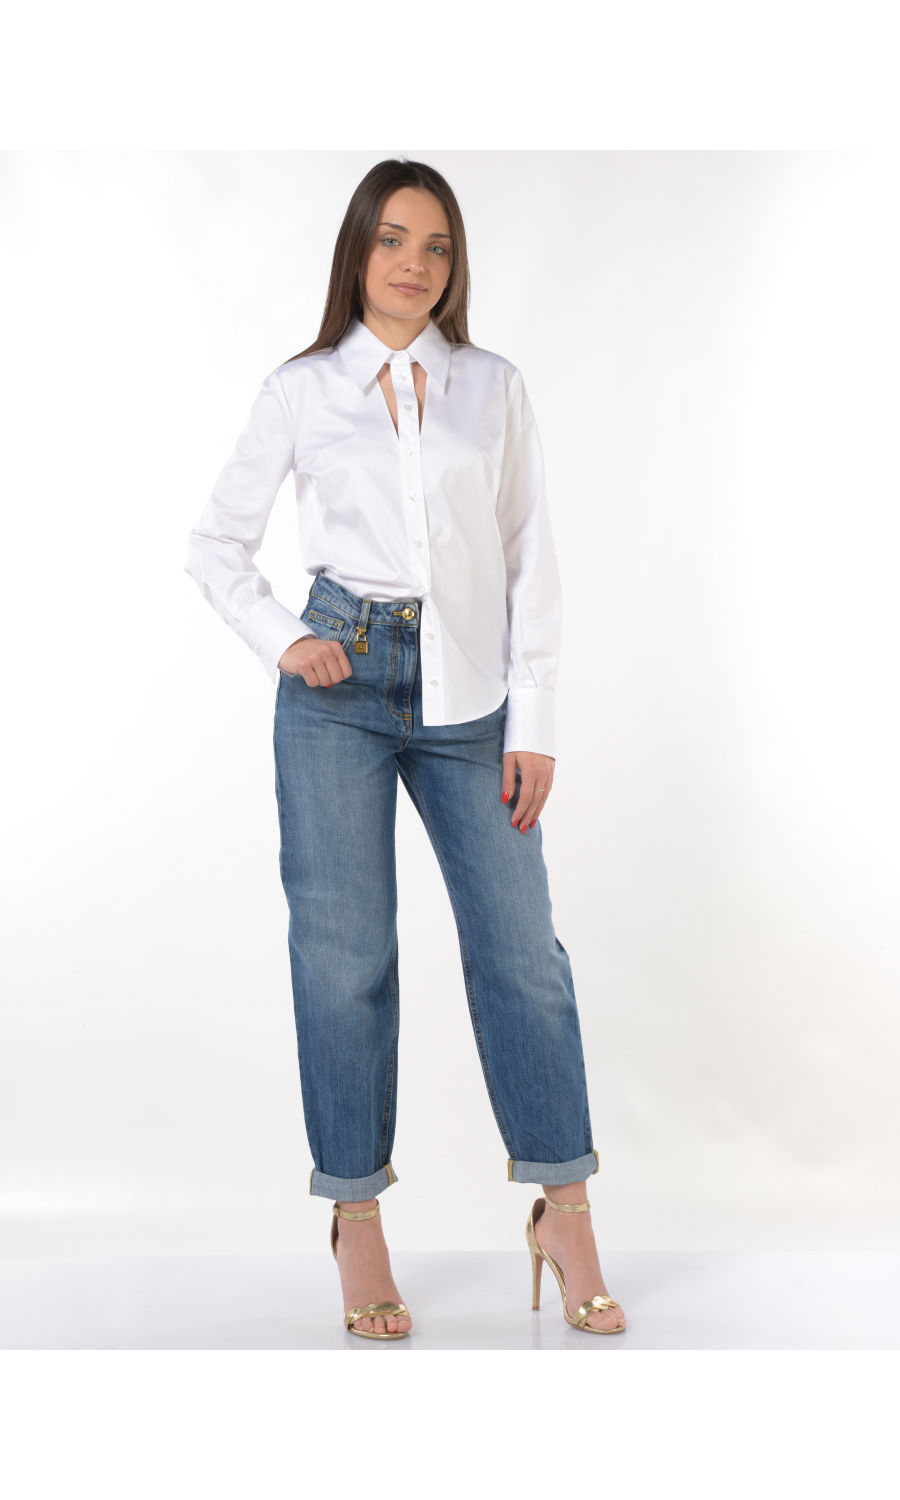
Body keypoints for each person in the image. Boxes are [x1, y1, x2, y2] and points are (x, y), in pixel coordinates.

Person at [185, 158, 625, 1339]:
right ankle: (357, 1220)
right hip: (338, 684)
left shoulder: (492, 387)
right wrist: (285, 640)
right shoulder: (300, 392)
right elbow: (216, 545)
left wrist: (535, 721)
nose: (414, 263)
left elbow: (530, 556)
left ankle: (565, 1211)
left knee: (522, 955)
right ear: (357, 251)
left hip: (471, 699)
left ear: (454, 264)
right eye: (392, 239)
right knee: (345, 960)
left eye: (436, 246)